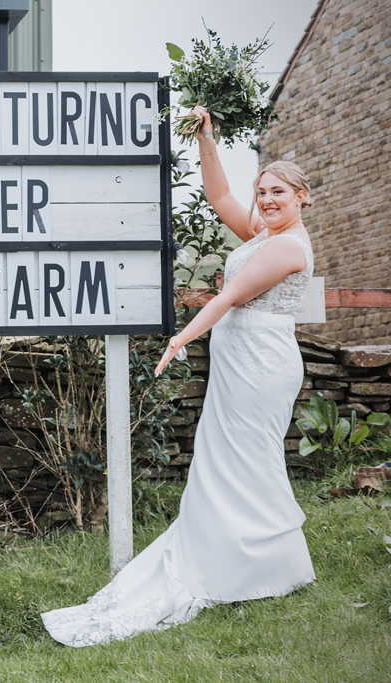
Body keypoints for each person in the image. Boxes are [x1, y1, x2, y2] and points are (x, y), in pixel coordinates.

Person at [41, 106, 316, 647]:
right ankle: (254, 560)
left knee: (246, 458)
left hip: (261, 364)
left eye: (277, 194)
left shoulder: (285, 246)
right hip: (241, 360)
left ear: (302, 197)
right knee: (225, 457)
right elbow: (219, 199)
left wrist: (179, 337)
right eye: (262, 192)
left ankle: (254, 565)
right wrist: (205, 138)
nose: (265, 202)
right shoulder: (262, 233)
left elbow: (231, 297)